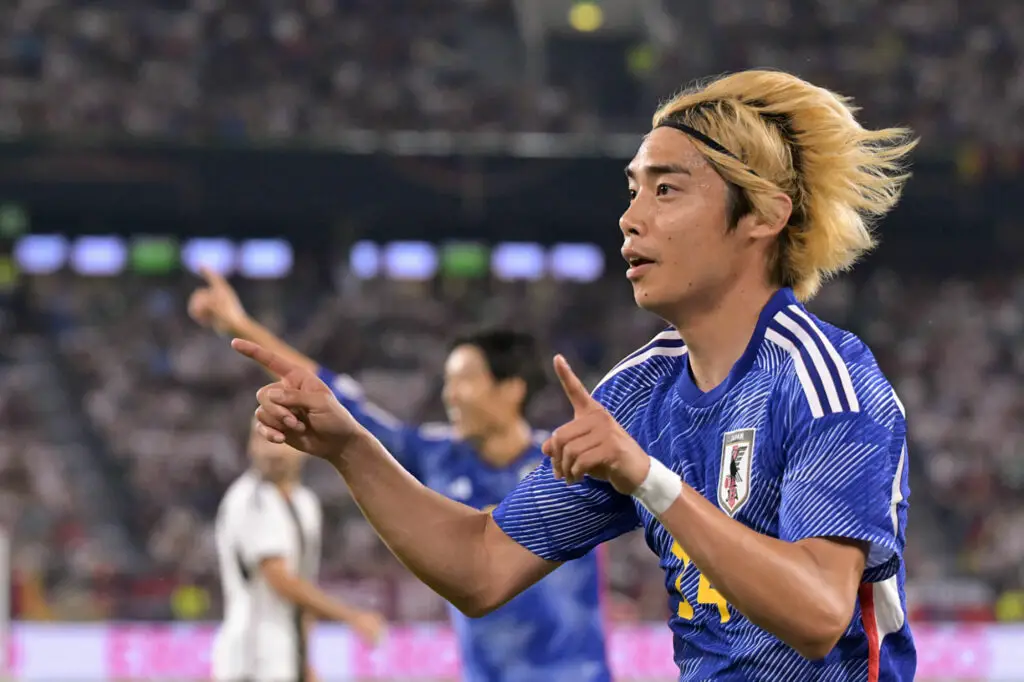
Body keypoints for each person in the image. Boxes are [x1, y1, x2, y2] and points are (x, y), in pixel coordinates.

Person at [233, 69, 917, 681]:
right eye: (633, 191)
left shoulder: (824, 382)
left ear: (763, 215)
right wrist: (350, 449)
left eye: (666, 190)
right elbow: (482, 565)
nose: (630, 219)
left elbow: (818, 613)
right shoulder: (640, 393)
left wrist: (648, 479)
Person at [189, 277, 614, 682]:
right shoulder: (437, 455)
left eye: (464, 380)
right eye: (447, 382)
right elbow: (342, 406)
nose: (449, 395)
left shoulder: (567, 461)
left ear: (511, 389)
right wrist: (239, 325)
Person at [211, 420, 386, 682]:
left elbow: (301, 589)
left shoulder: (306, 504)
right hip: (251, 659)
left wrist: (304, 660)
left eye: (281, 440)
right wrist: (351, 617)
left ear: (303, 447)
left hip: (286, 658)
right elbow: (281, 581)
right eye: (262, 439)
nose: (273, 451)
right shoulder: (250, 499)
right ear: (250, 447)